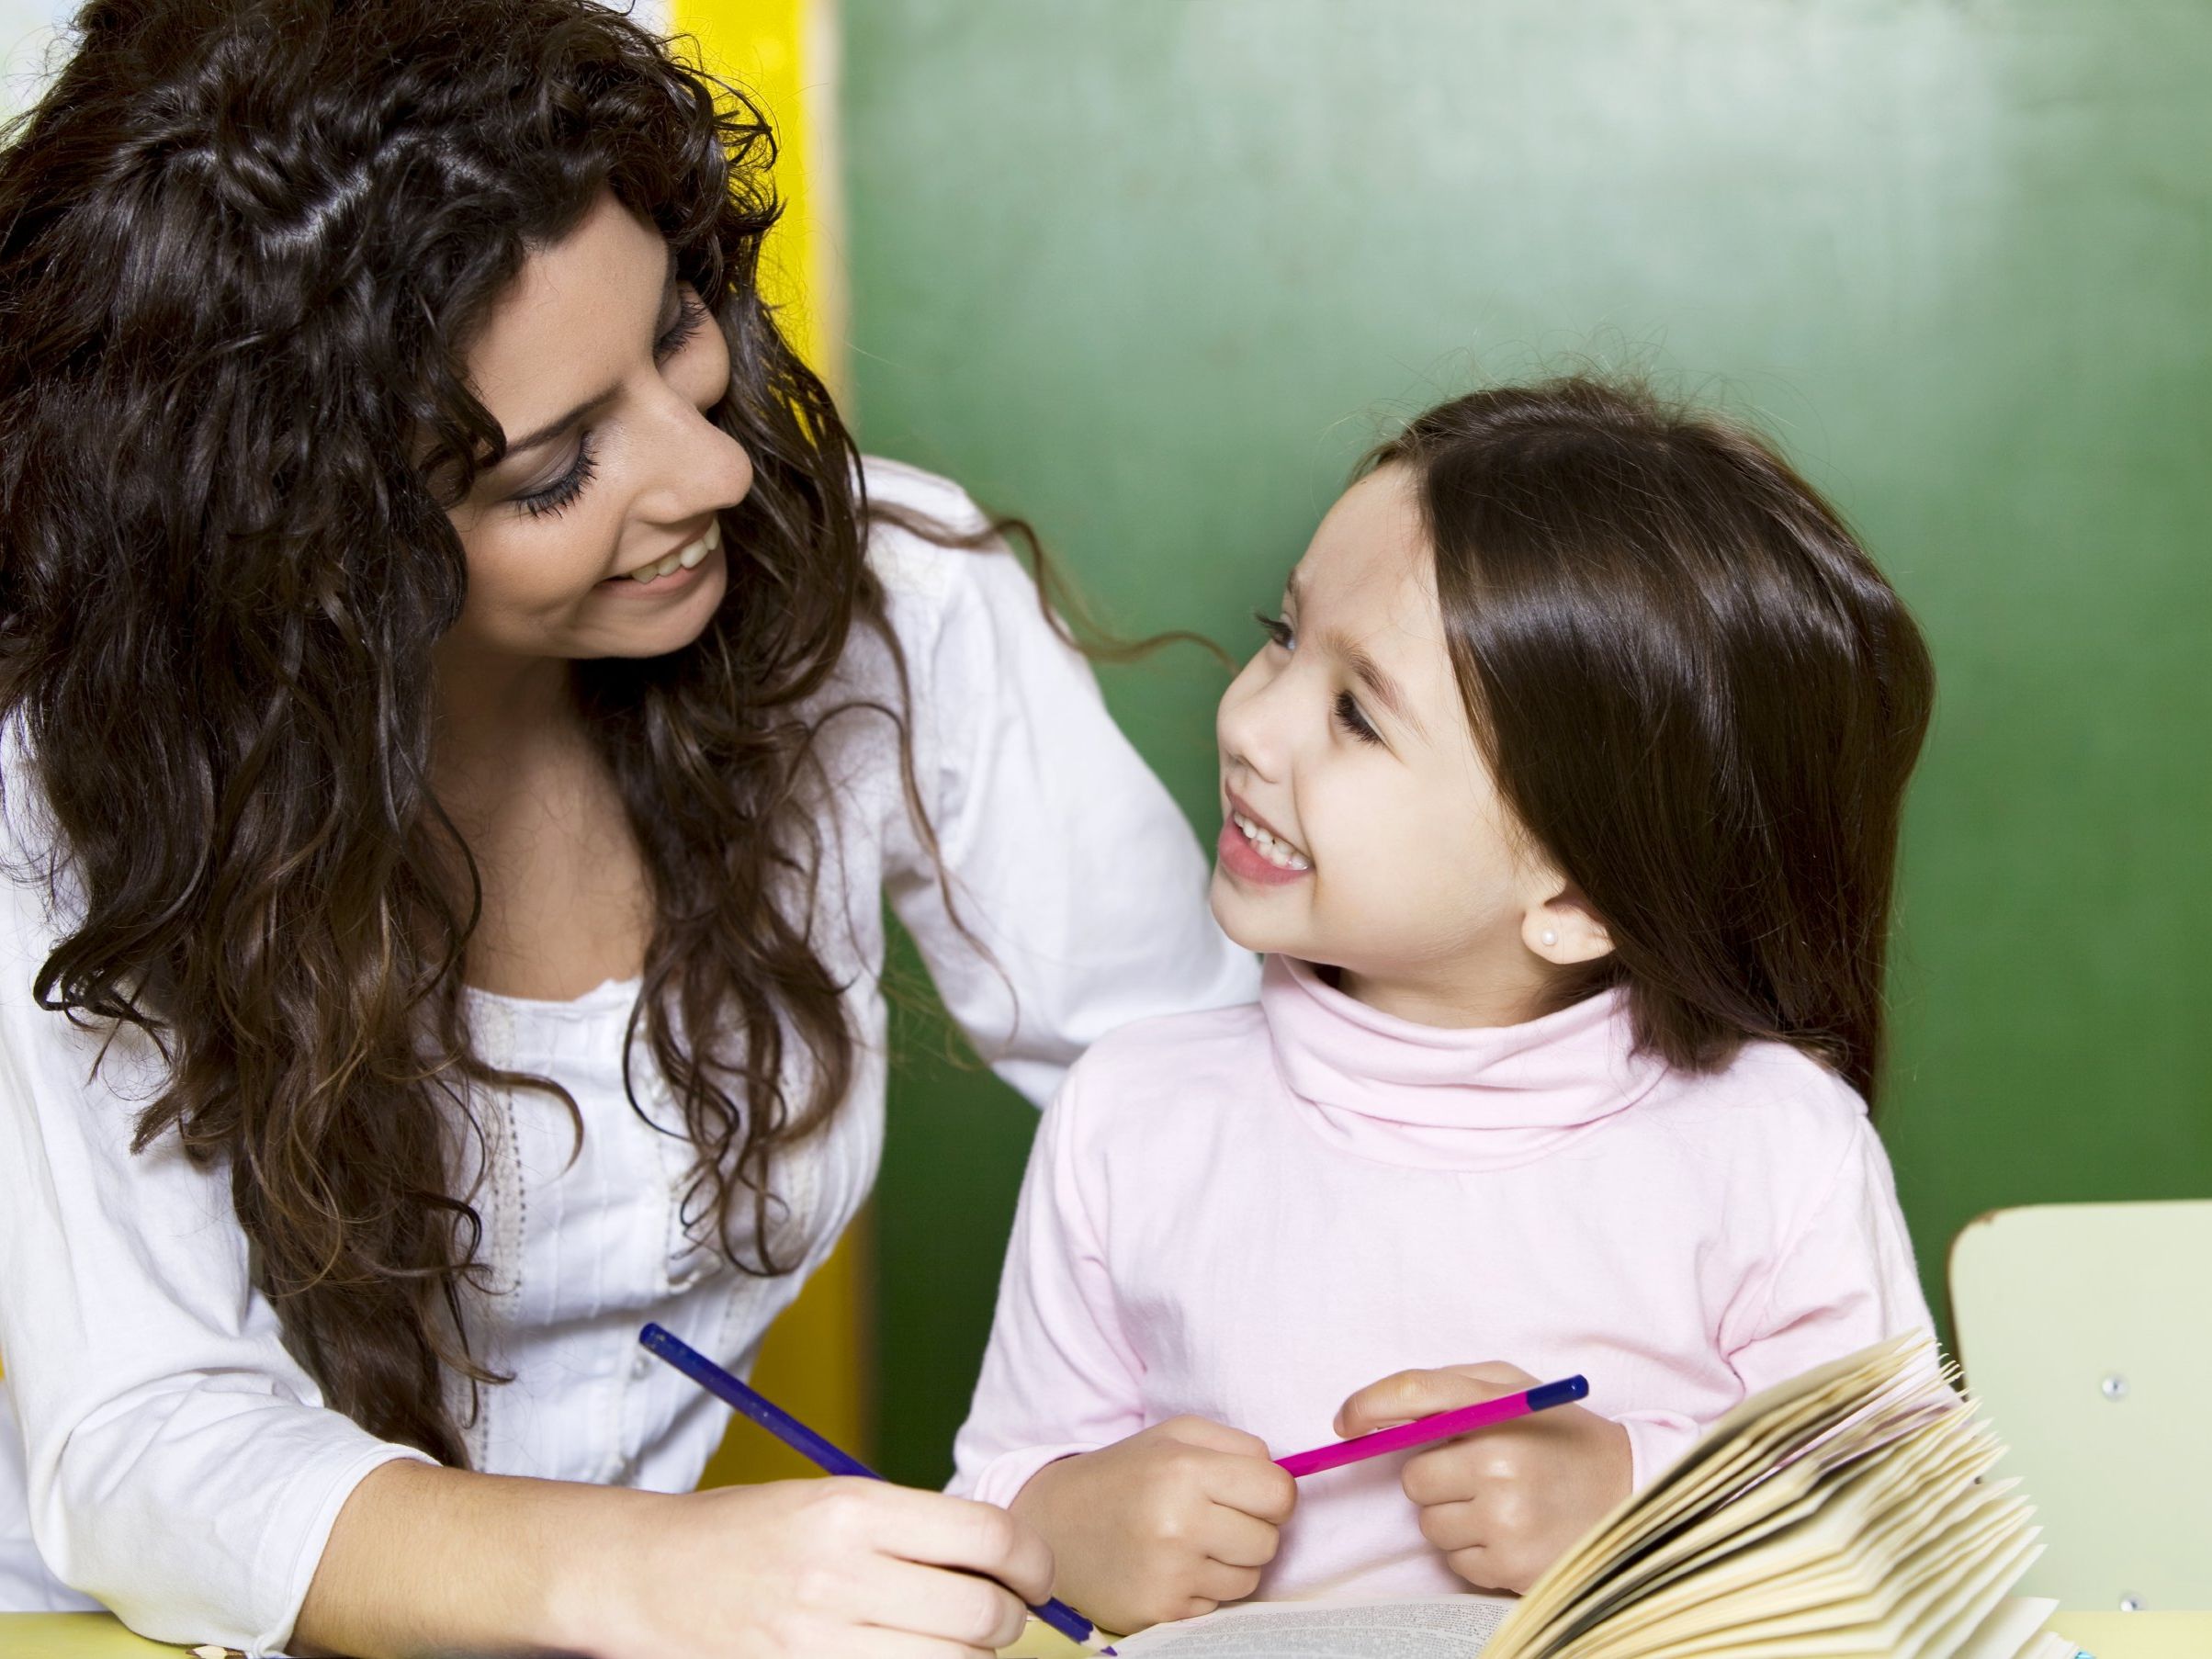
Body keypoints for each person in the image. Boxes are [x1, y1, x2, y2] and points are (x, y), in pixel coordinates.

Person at [0, 2, 1256, 1654]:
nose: (713, 472)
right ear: (310, 544)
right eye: (551, 469)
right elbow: (147, 1437)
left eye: (676, 334)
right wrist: (663, 1574)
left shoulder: (890, 603)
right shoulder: (67, 779)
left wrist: (1098, 1491)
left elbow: (1204, 1088)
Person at [951, 378, 1938, 1636]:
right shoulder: (1129, 1116)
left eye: (1357, 712)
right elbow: (995, 1498)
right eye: (1281, 632)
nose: (1250, 719)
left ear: (1578, 898)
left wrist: (1636, 1501)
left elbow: (1911, 1531)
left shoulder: (1774, 1142)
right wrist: (1059, 1526)